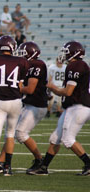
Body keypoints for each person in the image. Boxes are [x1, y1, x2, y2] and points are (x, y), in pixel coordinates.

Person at [34, 41, 90, 176]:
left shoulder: (75, 66)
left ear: (73, 53)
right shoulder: (79, 65)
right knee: (55, 138)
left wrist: (53, 88)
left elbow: (68, 92)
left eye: (66, 51)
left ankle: (88, 164)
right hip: (74, 106)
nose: (64, 54)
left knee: (68, 139)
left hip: (78, 107)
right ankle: (44, 167)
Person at [0, 35, 28, 176]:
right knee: (10, 134)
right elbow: (20, 86)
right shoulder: (21, 61)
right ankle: (7, 166)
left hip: (0, 101)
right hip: (16, 101)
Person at [15, 42, 48, 174]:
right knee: (14, 132)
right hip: (30, 104)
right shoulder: (30, 65)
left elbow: (30, 89)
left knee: (20, 133)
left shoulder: (37, 64)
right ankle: (4, 162)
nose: (20, 56)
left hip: (36, 104)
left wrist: (17, 87)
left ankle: (39, 160)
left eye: (22, 53)